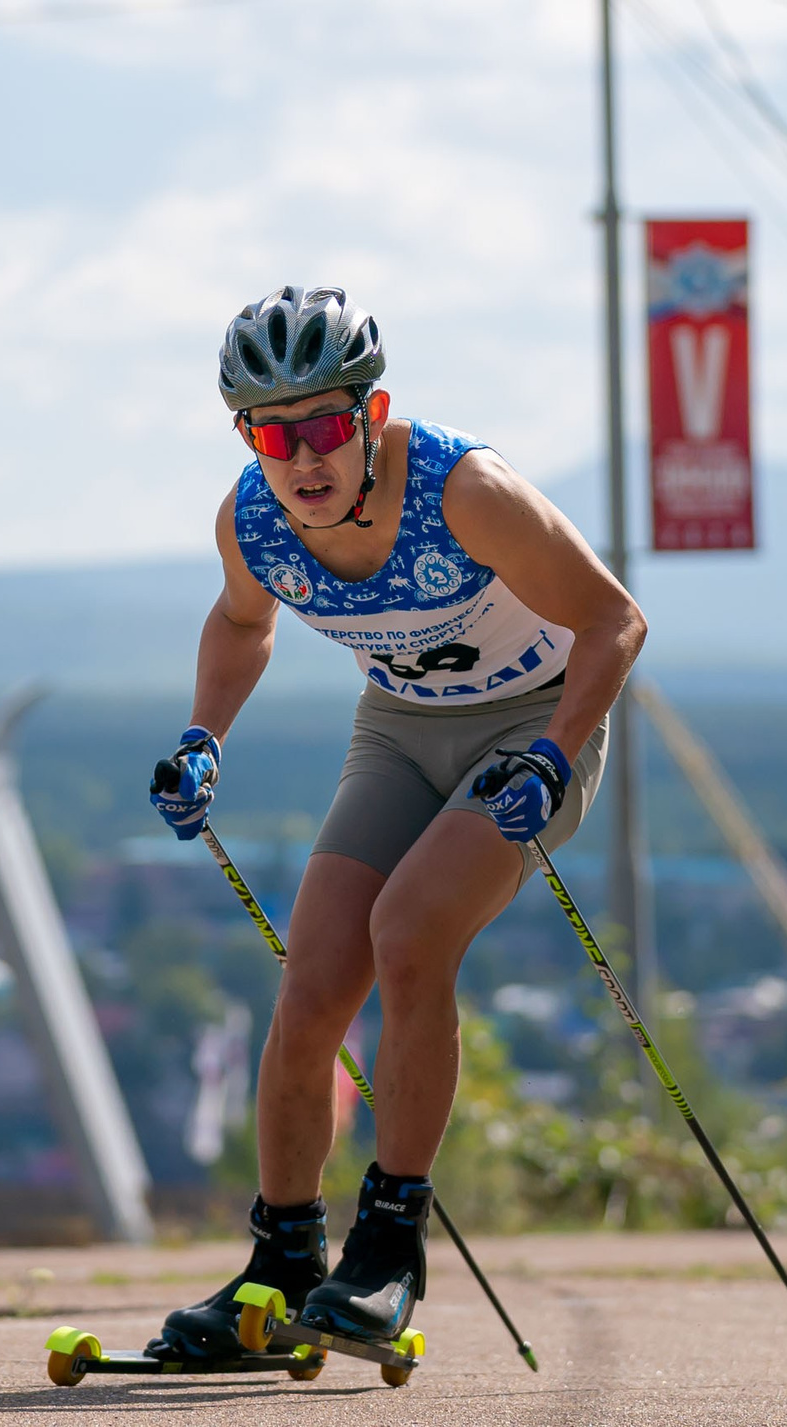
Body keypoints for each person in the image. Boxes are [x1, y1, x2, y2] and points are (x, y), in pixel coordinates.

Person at [145, 284, 647, 1357]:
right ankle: (281, 1261)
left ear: (370, 416)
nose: (302, 456)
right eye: (273, 434)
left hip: (533, 724)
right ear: (245, 437)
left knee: (410, 934)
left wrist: (557, 757)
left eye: (325, 424)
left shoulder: (466, 491)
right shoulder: (252, 520)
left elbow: (614, 619)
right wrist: (203, 737)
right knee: (316, 975)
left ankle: (390, 1247)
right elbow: (241, 626)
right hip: (404, 728)